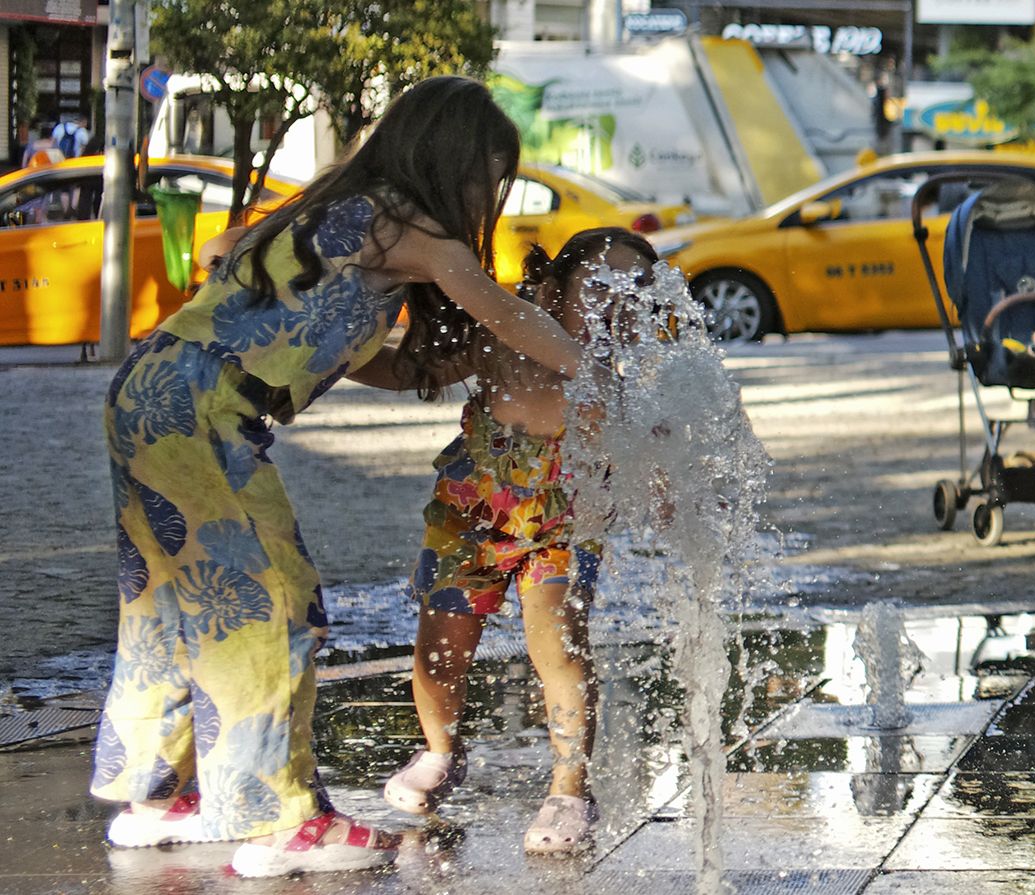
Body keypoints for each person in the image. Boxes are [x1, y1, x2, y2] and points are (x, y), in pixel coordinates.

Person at [91, 75, 595, 878]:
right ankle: (283, 820)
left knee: (168, 600)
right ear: (454, 163)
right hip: (206, 411)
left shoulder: (335, 215)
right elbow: (506, 310)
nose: (485, 196)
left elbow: (371, 362)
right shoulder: (416, 232)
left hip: (151, 390)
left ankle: (155, 795)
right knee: (268, 602)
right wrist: (594, 367)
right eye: (487, 178)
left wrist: (451, 362)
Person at [381, 228, 662, 855]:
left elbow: (658, 451)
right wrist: (327, 360)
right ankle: (440, 751)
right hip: (472, 515)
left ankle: (569, 789)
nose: (616, 304)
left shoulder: (613, 378)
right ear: (554, 287)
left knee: (557, 640)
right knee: (439, 648)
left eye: (633, 292)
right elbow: (411, 371)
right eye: (600, 287)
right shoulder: (500, 335)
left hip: (564, 526)